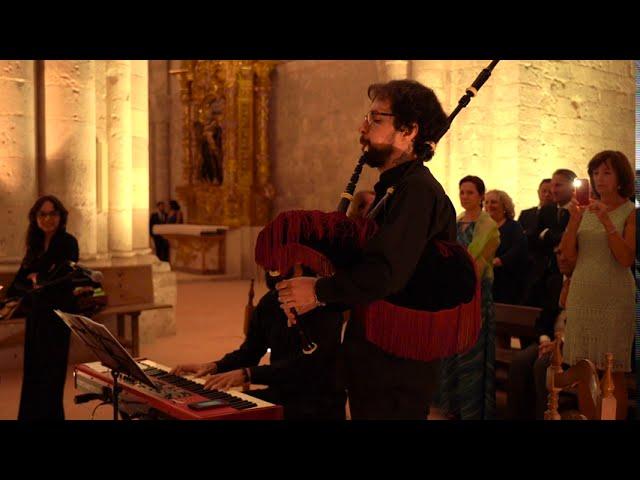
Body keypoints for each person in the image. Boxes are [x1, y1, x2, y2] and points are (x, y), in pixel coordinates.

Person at [274, 79, 474, 420]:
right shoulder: (392, 190)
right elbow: (365, 266)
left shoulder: (417, 192)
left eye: (376, 119)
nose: (362, 127)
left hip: (397, 362)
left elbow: (386, 273)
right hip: (374, 355)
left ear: (409, 131)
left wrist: (319, 292)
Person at [171, 265, 346, 420]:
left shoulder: (324, 302)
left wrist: (247, 374)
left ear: (299, 265)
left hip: (317, 402)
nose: (272, 270)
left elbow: (308, 367)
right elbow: (250, 352)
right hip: (279, 393)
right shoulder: (270, 302)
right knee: (208, 411)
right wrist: (214, 366)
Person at [559, 150, 635, 419]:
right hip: (583, 293)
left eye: (606, 172)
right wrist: (574, 222)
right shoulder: (584, 210)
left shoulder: (630, 211)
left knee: (613, 371)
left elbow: (626, 258)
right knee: (584, 368)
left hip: (614, 297)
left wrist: (606, 221)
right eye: (595, 173)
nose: (599, 178)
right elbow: (567, 259)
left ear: (620, 178)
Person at [6, 195, 79, 420]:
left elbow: (61, 279)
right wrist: (35, 281)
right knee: (33, 375)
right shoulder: (35, 246)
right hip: (36, 317)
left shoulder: (68, 242)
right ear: (36, 218)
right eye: (42, 214)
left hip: (57, 318)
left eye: (52, 213)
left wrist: (38, 280)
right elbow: (18, 282)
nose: (48, 218)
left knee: (52, 377)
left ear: (61, 216)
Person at [438, 176, 500, 420]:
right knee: (452, 349)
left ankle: (472, 410)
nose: (465, 197)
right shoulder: (456, 222)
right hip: (454, 295)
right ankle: (452, 406)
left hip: (476, 295)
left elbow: (477, 258)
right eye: (462, 192)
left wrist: (458, 268)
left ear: (481, 196)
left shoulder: (489, 225)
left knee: (471, 351)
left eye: (470, 193)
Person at [485, 189, 528, 304]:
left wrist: (499, 261)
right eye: (486, 202)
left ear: (504, 206)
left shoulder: (514, 227)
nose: (489, 206)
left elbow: (518, 248)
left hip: (506, 280)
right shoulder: (481, 228)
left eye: (493, 202)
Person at [518, 179, 553, 305]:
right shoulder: (526, 214)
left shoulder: (557, 215)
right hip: (526, 262)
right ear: (538, 192)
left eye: (550, 192)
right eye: (544, 191)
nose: (547, 195)